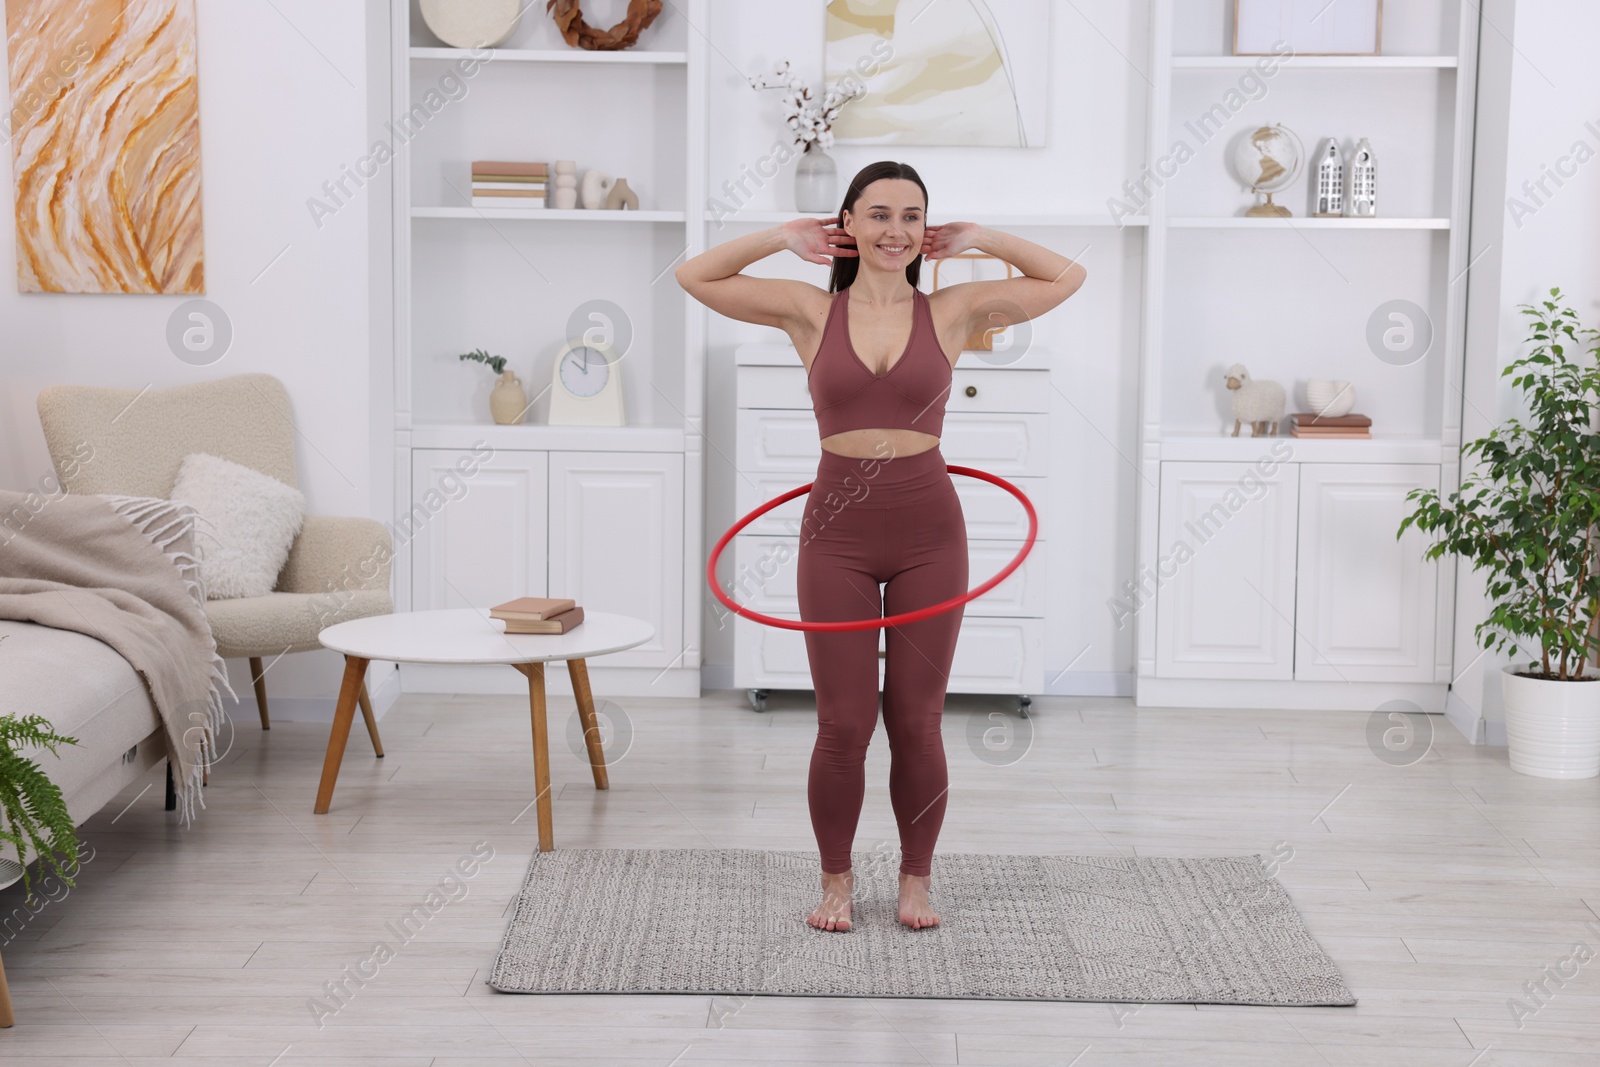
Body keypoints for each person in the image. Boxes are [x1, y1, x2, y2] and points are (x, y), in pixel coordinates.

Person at [677, 161, 1086, 931]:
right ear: (850, 224)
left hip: (932, 528)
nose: (895, 231)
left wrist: (981, 237)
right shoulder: (808, 311)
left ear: (925, 230)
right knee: (843, 722)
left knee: (917, 718)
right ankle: (836, 883)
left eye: (911, 216)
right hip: (837, 533)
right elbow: (695, 275)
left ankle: (914, 880)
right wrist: (780, 235)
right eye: (878, 215)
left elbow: (1067, 276)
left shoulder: (957, 309)